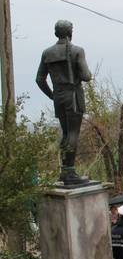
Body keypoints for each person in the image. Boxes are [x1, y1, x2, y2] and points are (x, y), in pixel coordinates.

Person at [36, 20, 93, 185]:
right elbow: (86, 76)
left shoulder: (47, 53)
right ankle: (69, 172)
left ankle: (65, 171)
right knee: (73, 133)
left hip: (59, 96)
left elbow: (40, 79)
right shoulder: (77, 51)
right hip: (73, 95)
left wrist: (52, 95)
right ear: (70, 32)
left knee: (66, 133)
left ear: (56, 33)